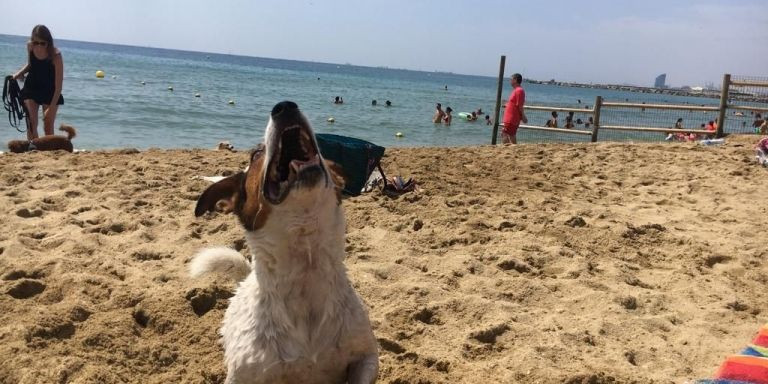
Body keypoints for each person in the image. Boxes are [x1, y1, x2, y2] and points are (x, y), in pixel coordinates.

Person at [12, 25, 64, 141]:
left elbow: (59, 87)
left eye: (42, 43)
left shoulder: (56, 56)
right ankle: (33, 150)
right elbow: (31, 65)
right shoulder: (30, 47)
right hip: (32, 88)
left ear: (48, 42)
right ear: (32, 41)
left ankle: (49, 152)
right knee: (31, 123)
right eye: (36, 42)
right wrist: (18, 74)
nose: (39, 46)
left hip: (50, 91)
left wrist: (50, 108)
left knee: (48, 125)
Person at [501, 73, 527, 144]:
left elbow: (520, 105)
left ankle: (508, 149)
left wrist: (523, 117)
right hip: (510, 118)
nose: (510, 81)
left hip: (512, 118)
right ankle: (512, 149)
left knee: (505, 133)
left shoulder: (519, 90)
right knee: (510, 134)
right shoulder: (516, 90)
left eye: (511, 79)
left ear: (515, 80)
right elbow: (514, 103)